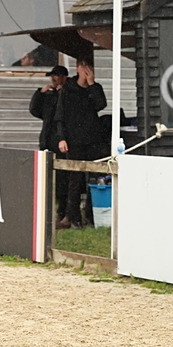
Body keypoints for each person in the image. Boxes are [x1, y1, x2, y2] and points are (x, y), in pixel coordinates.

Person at [53, 59, 107, 229]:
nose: (86, 70)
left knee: (93, 176)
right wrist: (61, 138)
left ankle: (90, 217)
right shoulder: (68, 89)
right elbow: (60, 115)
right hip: (74, 140)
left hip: (92, 139)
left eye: (88, 67)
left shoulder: (94, 89)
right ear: (77, 69)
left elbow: (101, 104)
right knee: (74, 178)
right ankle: (71, 215)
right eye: (83, 67)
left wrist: (91, 84)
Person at [30, 65, 69, 219]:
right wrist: (39, 93)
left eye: (56, 76)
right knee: (46, 177)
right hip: (46, 139)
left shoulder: (66, 93)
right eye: (51, 76)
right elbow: (34, 110)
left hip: (59, 140)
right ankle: (47, 209)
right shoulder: (49, 95)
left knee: (62, 178)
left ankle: (62, 209)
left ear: (64, 77)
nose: (53, 79)